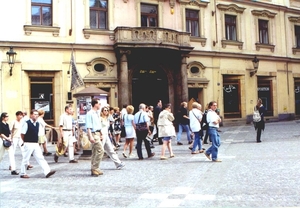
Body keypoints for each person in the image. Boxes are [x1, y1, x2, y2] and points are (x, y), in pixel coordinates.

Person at [19, 109, 56, 178]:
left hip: (35, 143)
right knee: (26, 159)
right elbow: (22, 134)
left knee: (40, 157)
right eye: (34, 114)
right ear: (31, 115)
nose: (36, 116)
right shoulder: (27, 123)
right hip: (28, 143)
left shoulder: (37, 124)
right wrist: (25, 141)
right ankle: (22, 173)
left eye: (37, 115)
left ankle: (47, 171)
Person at [85, 98, 104, 176]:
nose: (100, 105)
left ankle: (94, 168)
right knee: (101, 150)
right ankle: (95, 167)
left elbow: (98, 125)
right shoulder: (89, 113)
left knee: (95, 151)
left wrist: (101, 133)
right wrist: (90, 137)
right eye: (99, 104)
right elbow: (88, 127)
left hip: (97, 133)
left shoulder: (96, 113)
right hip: (93, 134)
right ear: (95, 104)